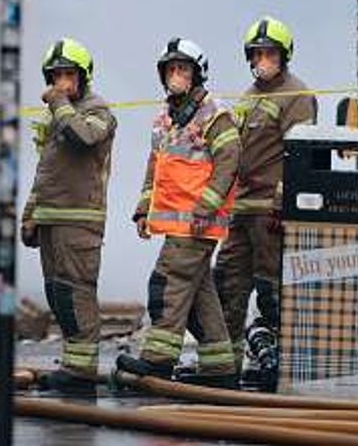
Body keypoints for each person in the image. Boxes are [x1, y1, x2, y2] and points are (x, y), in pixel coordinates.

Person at [116, 38, 240, 388]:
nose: (175, 75)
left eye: (182, 69)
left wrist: (207, 205)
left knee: (166, 284)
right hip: (177, 224)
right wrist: (144, 209)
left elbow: (230, 160)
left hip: (199, 222)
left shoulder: (214, 113)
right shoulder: (165, 118)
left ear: (197, 73)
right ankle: (221, 369)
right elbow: (156, 166)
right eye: (170, 69)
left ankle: (158, 361)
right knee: (200, 295)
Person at [215, 16, 316, 390]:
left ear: (284, 55)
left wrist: (280, 203)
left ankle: (281, 364)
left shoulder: (297, 95)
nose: (262, 59)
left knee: (272, 291)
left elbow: (299, 153)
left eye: (269, 52)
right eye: (257, 53)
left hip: (269, 212)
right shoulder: (249, 96)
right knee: (227, 282)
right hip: (242, 208)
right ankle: (224, 363)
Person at [21, 38, 117, 394]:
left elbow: (84, 138)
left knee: (77, 293)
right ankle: (72, 364)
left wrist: (59, 102)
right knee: (58, 294)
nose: (62, 82)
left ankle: (83, 370)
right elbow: (45, 170)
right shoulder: (56, 114)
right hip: (51, 217)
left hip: (80, 221)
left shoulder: (97, 110)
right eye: (56, 75)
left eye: (68, 75)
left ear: (83, 75)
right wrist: (30, 214)